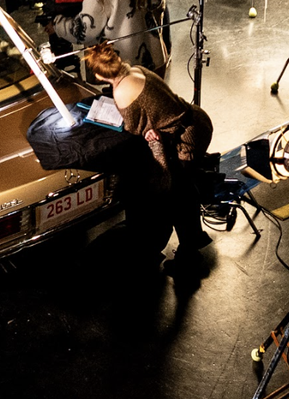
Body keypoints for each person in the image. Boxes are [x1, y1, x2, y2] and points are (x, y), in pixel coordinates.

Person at [85, 42, 213, 271]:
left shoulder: (121, 92)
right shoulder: (137, 70)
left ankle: (189, 255)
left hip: (186, 139)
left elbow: (133, 128)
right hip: (196, 121)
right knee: (183, 191)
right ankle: (191, 246)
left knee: (178, 196)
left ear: (99, 75)